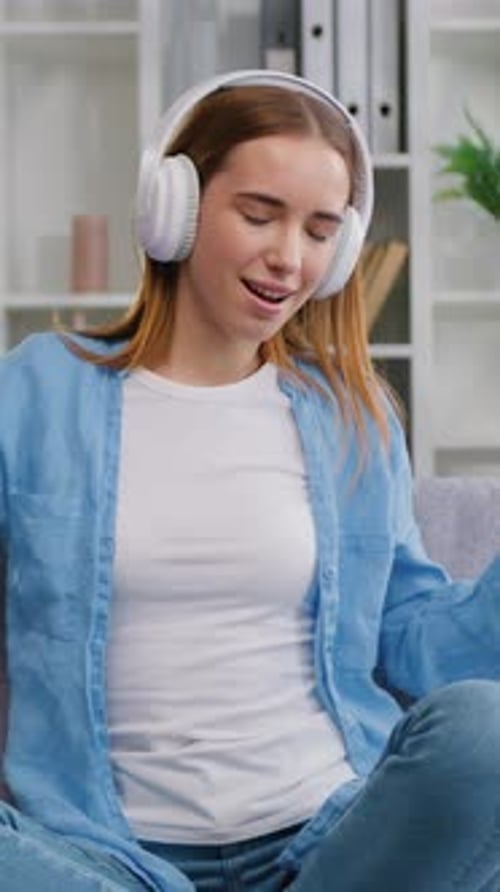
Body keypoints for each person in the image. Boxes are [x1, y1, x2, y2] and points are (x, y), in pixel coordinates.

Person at [0, 68, 499, 892]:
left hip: (328, 844)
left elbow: (416, 637)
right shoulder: (36, 391)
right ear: (177, 208)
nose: (288, 258)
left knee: (487, 731)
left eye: (319, 231)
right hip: (105, 857)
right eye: (259, 215)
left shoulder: (353, 416)